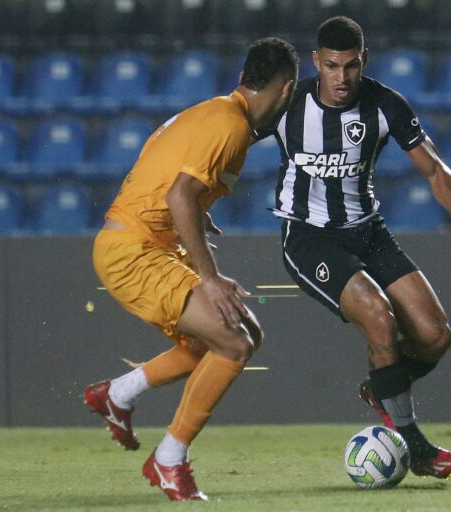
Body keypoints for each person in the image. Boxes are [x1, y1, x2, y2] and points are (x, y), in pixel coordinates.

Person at [263, 17, 451, 479]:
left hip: (369, 231)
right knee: (379, 316)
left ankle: (382, 387)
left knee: (434, 337)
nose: (342, 78)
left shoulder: (386, 104)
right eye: (332, 66)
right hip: (309, 237)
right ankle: (416, 447)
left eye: (350, 66)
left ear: (363, 61)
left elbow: (433, 168)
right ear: (316, 63)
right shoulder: (286, 105)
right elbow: (226, 141)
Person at [84, 37, 298, 501]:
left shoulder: (214, 113)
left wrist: (198, 215)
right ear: (286, 89)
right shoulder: (230, 125)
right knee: (234, 340)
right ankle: (169, 459)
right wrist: (210, 277)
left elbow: (163, 178)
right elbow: (178, 194)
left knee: (232, 336)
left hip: (143, 243)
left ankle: (118, 394)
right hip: (133, 251)